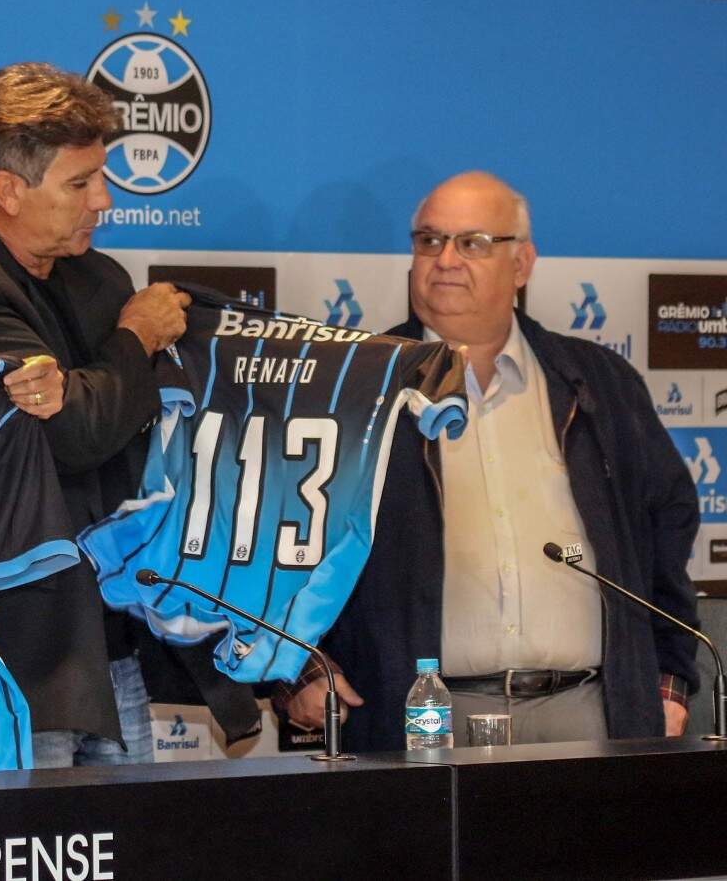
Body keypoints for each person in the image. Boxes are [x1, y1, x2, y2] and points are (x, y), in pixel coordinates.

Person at [0, 63, 260, 767]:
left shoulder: (102, 278)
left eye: (104, 176)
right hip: (11, 655)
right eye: (81, 182)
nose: (106, 199)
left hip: (110, 642)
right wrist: (137, 339)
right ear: (9, 189)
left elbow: (125, 434)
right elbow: (73, 434)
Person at [280, 171, 700, 749]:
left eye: (472, 242)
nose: (445, 259)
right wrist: (297, 669)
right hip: (417, 715)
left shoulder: (599, 383)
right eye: (429, 240)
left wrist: (671, 683)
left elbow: (666, 526)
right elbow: (275, 536)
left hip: (588, 714)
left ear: (522, 264)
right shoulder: (351, 387)